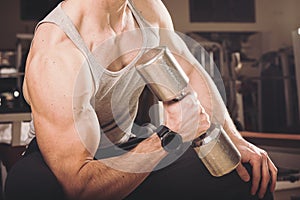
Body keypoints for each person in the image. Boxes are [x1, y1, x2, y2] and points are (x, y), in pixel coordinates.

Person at [5, 0, 278, 199]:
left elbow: (191, 69)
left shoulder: (146, 9)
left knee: (248, 176)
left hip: (129, 146)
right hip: (63, 168)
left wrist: (235, 139)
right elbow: (81, 186)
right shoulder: (57, 51)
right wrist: (169, 137)